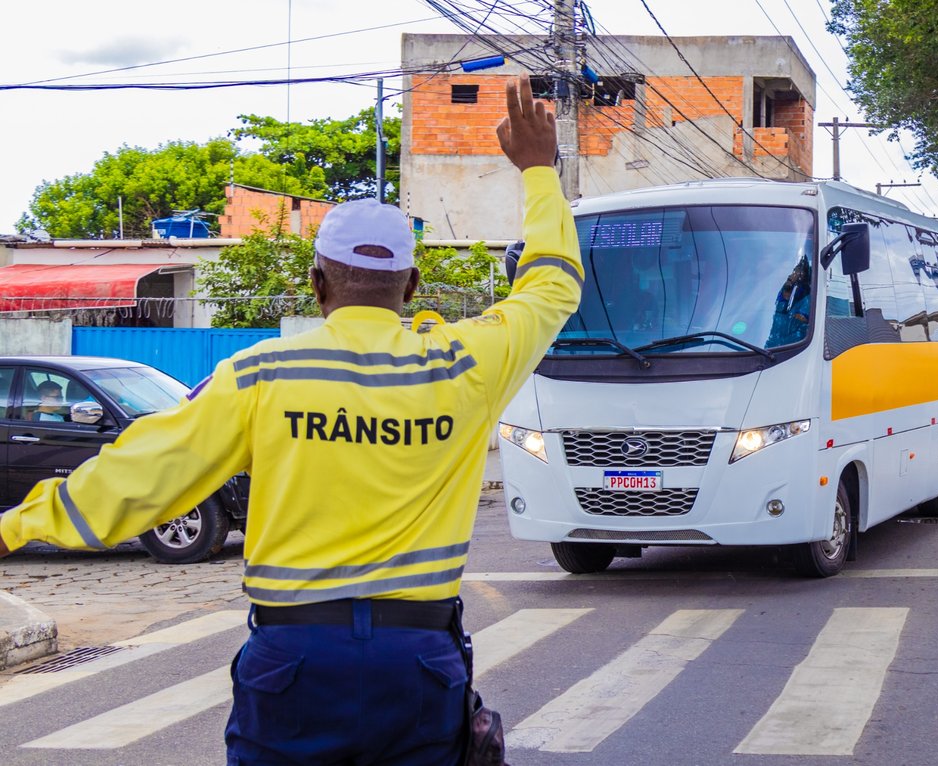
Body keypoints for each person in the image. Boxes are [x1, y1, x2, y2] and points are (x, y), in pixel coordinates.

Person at [0, 74, 582, 764]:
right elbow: (552, 283)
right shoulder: (464, 364)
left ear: (317, 282)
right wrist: (539, 173)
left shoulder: (262, 374)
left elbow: (144, 475)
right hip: (418, 660)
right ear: (412, 287)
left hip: (294, 661)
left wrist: (17, 527)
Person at [766, 256, 812, 347]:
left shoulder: (806, 301)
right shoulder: (774, 294)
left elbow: (799, 332)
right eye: (792, 271)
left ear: (802, 277)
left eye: (796, 271)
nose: (790, 275)